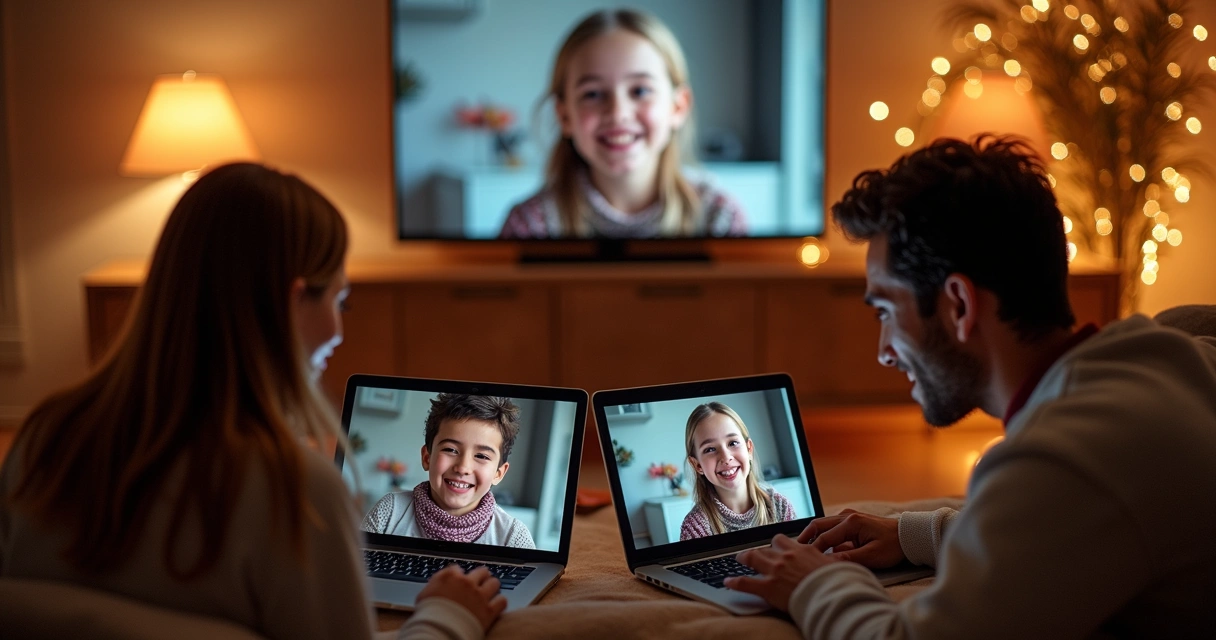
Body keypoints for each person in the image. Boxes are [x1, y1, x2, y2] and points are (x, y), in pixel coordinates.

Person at [724, 135, 1216, 637]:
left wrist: (814, 583)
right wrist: (915, 534)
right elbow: (1064, 527)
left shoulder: (1065, 456)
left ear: (958, 305)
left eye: (887, 312)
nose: (884, 350)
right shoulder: (1168, 356)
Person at [0, 163, 505, 639]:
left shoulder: (43, 441)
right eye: (338, 300)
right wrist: (446, 617)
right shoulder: (297, 495)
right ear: (291, 302)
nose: (339, 329)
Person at [498, 8, 747, 239]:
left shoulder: (719, 220)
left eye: (640, 91)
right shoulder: (529, 227)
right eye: (593, 94)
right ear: (565, 116)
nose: (618, 113)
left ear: (678, 107)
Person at [362, 394, 536, 549]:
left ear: (499, 473)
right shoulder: (390, 513)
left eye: (481, 456)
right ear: (427, 458)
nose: (462, 468)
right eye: (451, 450)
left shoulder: (512, 536)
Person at [679, 402, 795, 540]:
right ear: (697, 465)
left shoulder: (779, 507)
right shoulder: (695, 528)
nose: (726, 457)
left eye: (732, 443)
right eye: (710, 449)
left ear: (749, 449)